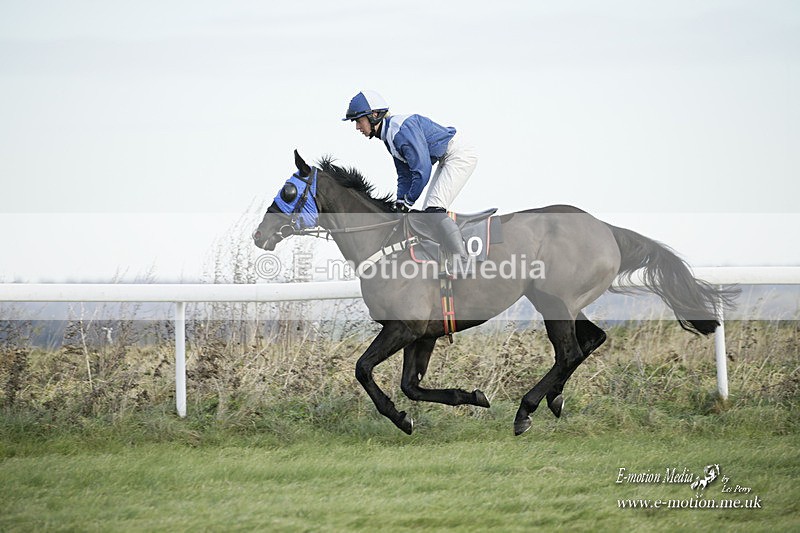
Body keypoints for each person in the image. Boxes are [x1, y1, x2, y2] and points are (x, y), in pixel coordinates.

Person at [342, 90, 478, 259]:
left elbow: (422, 170)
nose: (357, 127)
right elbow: (405, 174)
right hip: (446, 157)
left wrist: (408, 201)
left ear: (374, 115)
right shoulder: (389, 136)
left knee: (434, 211)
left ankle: (462, 259)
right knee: (430, 213)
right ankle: (443, 258)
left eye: (359, 121)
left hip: (458, 154)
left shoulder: (399, 132)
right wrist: (400, 202)